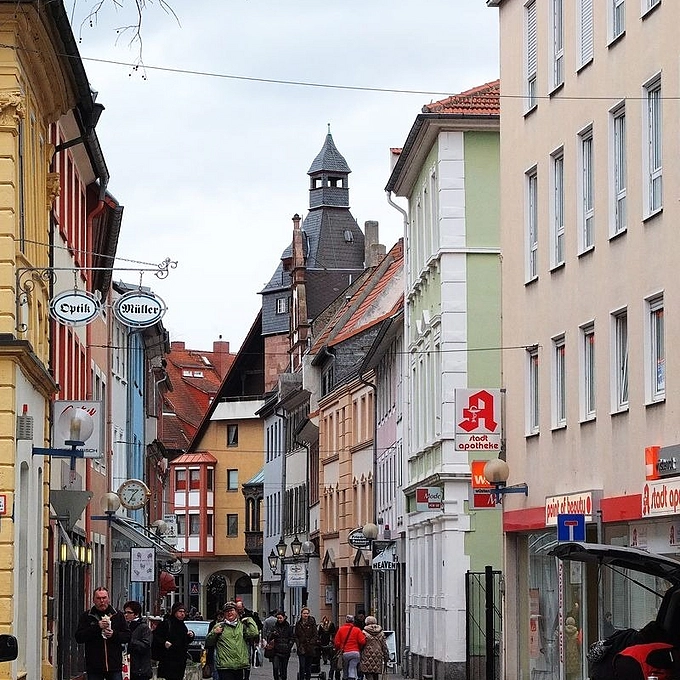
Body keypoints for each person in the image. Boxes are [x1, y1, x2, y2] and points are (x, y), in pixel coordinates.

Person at [75, 585, 131, 680]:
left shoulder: (118, 615)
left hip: (114, 665)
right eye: (98, 598)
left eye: (104, 598)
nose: (102, 601)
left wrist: (114, 634)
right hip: (94, 666)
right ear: (93, 600)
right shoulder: (87, 616)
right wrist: (97, 627)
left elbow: (127, 636)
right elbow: (79, 637)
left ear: (108, 599)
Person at [206, 600, 259, 680]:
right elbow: (208, 642)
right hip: (225, 666)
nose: (229, 613)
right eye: (227, 611)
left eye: (231, 610)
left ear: (236, 612)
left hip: (240, 666)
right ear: (224, 614)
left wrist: (249, 620)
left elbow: (254, 633)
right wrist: (214, 633)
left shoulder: (242, 626)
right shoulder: (219, 626)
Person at [152, 601, 195, 680]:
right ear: (174, 612)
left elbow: (184, 641)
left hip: (180, 660)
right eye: (180, 611)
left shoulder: (182, 625)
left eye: (184, 612)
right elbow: (156, 637)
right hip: (168, 660)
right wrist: (164, 643)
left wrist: (191, 635)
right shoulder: (166, 624)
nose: (182, 614)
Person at [123, 601, 153, 680]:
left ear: (136, 614)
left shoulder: (143, 627)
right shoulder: (126, 626)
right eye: (125, 612)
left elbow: (145, 646)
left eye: (129, 612)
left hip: (141, 669)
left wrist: (130, 641)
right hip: (128, 667)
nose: (126, 615)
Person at [334, 614, 365, 680]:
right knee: (352, 667)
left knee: (345, 668)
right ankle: (352, 677)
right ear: (353, 621)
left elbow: (337, 643)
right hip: (355, 652)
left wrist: (339, 648)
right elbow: (362, 641)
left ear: (346, 621)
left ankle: (345, 677)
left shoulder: (341, 630)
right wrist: (359, 648)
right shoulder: (357, 630)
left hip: (345, 653)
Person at [235, 597, 263, 671]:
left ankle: (247, 670)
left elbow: (258, 627)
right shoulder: (234, 615)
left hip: (248, 639)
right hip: (237, 639)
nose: (239, 611)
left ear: (243, 607)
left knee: (247, 656)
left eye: (240, 609)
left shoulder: (250, 615)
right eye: (237, 609)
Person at [267, 611, 294, 680]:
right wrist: (273, 634)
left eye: (280, 618)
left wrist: (289, 646)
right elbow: (269, 638)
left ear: (284, 618)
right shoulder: (274, 627)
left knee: (284, 669)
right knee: (275, 668)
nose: (279, 619)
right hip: (276, 651)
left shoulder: (288, 627)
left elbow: (292, 638)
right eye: (278, 618)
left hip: (285, 651)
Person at [294, 607, 320, 680]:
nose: (306, 615)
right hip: (301, 647)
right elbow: (296, 635)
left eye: (307, 613)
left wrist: (312, 642)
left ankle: (308, 678)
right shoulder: (298, 623)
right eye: (304, 613)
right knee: (302, 666)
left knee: (308, 666)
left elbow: (315, 635)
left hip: (310, 647)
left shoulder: (312, 622)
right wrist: (298, 644)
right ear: (301, 614)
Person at [564, 616, 582, 680]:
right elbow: (579, 643)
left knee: (565, 671)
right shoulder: (576, 632)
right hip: (574, 652)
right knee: (574, 673)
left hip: (566, 652)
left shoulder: (564, 632)